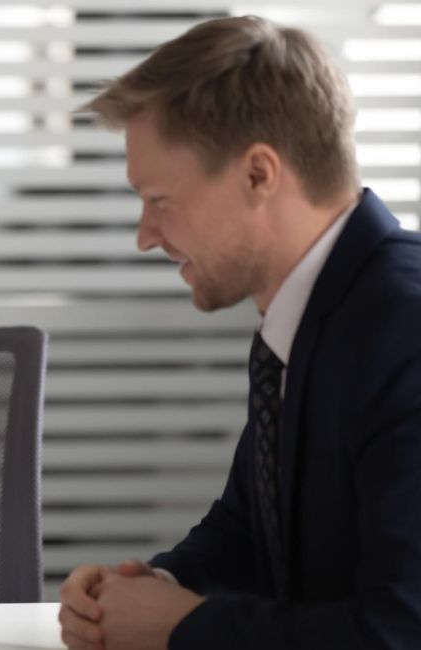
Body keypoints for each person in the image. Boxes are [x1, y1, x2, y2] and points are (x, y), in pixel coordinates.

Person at [58, 15, 421, 650]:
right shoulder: (310, 314)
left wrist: (179, 627)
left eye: (160, 200)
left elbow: (400, 630)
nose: (145, 236)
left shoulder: (403, 332)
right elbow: (250, 531)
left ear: (259, 174)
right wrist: (145, 587)